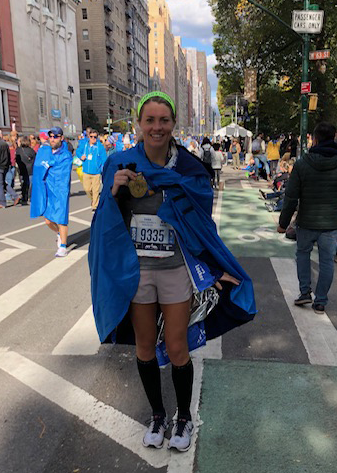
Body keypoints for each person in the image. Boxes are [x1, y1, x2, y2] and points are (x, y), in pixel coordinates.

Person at [89, 91, 256, 452]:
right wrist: (115, 193)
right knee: (145, 347)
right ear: (138, 124)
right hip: (137, 272)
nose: (157, 127)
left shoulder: (190, 167)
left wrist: (214, 268)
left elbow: (201, 223)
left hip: (175, 269)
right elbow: (105, 219)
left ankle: (183, 418)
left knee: (178, 347)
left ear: (173, 124)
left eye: (164, 120)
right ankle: (158, 414)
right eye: (149, 120)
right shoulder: (119, 162)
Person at [277, 122, 337, 314]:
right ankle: (320, 301)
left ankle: (305, 292)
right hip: (331, 223)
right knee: (327, 261)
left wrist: (283, 223)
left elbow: (291, 196)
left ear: (315, 138)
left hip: (306, 221)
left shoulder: (303, 163)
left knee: (302, 254)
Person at [30, 127, 73, 257]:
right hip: (47, 188)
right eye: (51, 136)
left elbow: (62, 171)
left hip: (60, 189)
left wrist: (50, 163)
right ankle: (60, 233)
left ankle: (63, 246)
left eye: (56, 136)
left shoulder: (66, 155)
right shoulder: (45, 151)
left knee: (61, 218)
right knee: (48, 220)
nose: (53, 139)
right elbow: (38, 166)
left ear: (61, 138)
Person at [76, 129, 107, 211]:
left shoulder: (100, 147)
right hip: (86, 171)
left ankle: (95, 206)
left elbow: (104, 159)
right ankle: (94, 200)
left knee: (96, 190)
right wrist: (80, 156)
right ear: (88, 137)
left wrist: (102, 168)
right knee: (87, 189)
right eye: (91, 136)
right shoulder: (85, 145)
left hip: (96, 173)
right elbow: (78, 151)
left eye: (95, 137)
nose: (93, 138)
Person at [0, 129, 19, 209]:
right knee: (3, 183)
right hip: (4, 166)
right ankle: (15, 196)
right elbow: (8, 155)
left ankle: (2, 203)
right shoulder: (4, 143)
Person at [16, 136, 36, 205]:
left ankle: (24, 197)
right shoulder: (31, 151)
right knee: (31, 185)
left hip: (22, 170)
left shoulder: (18, 150)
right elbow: (35, 160)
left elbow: (17, 160)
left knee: (24, 185)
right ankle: (30, 198)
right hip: (31, 170)